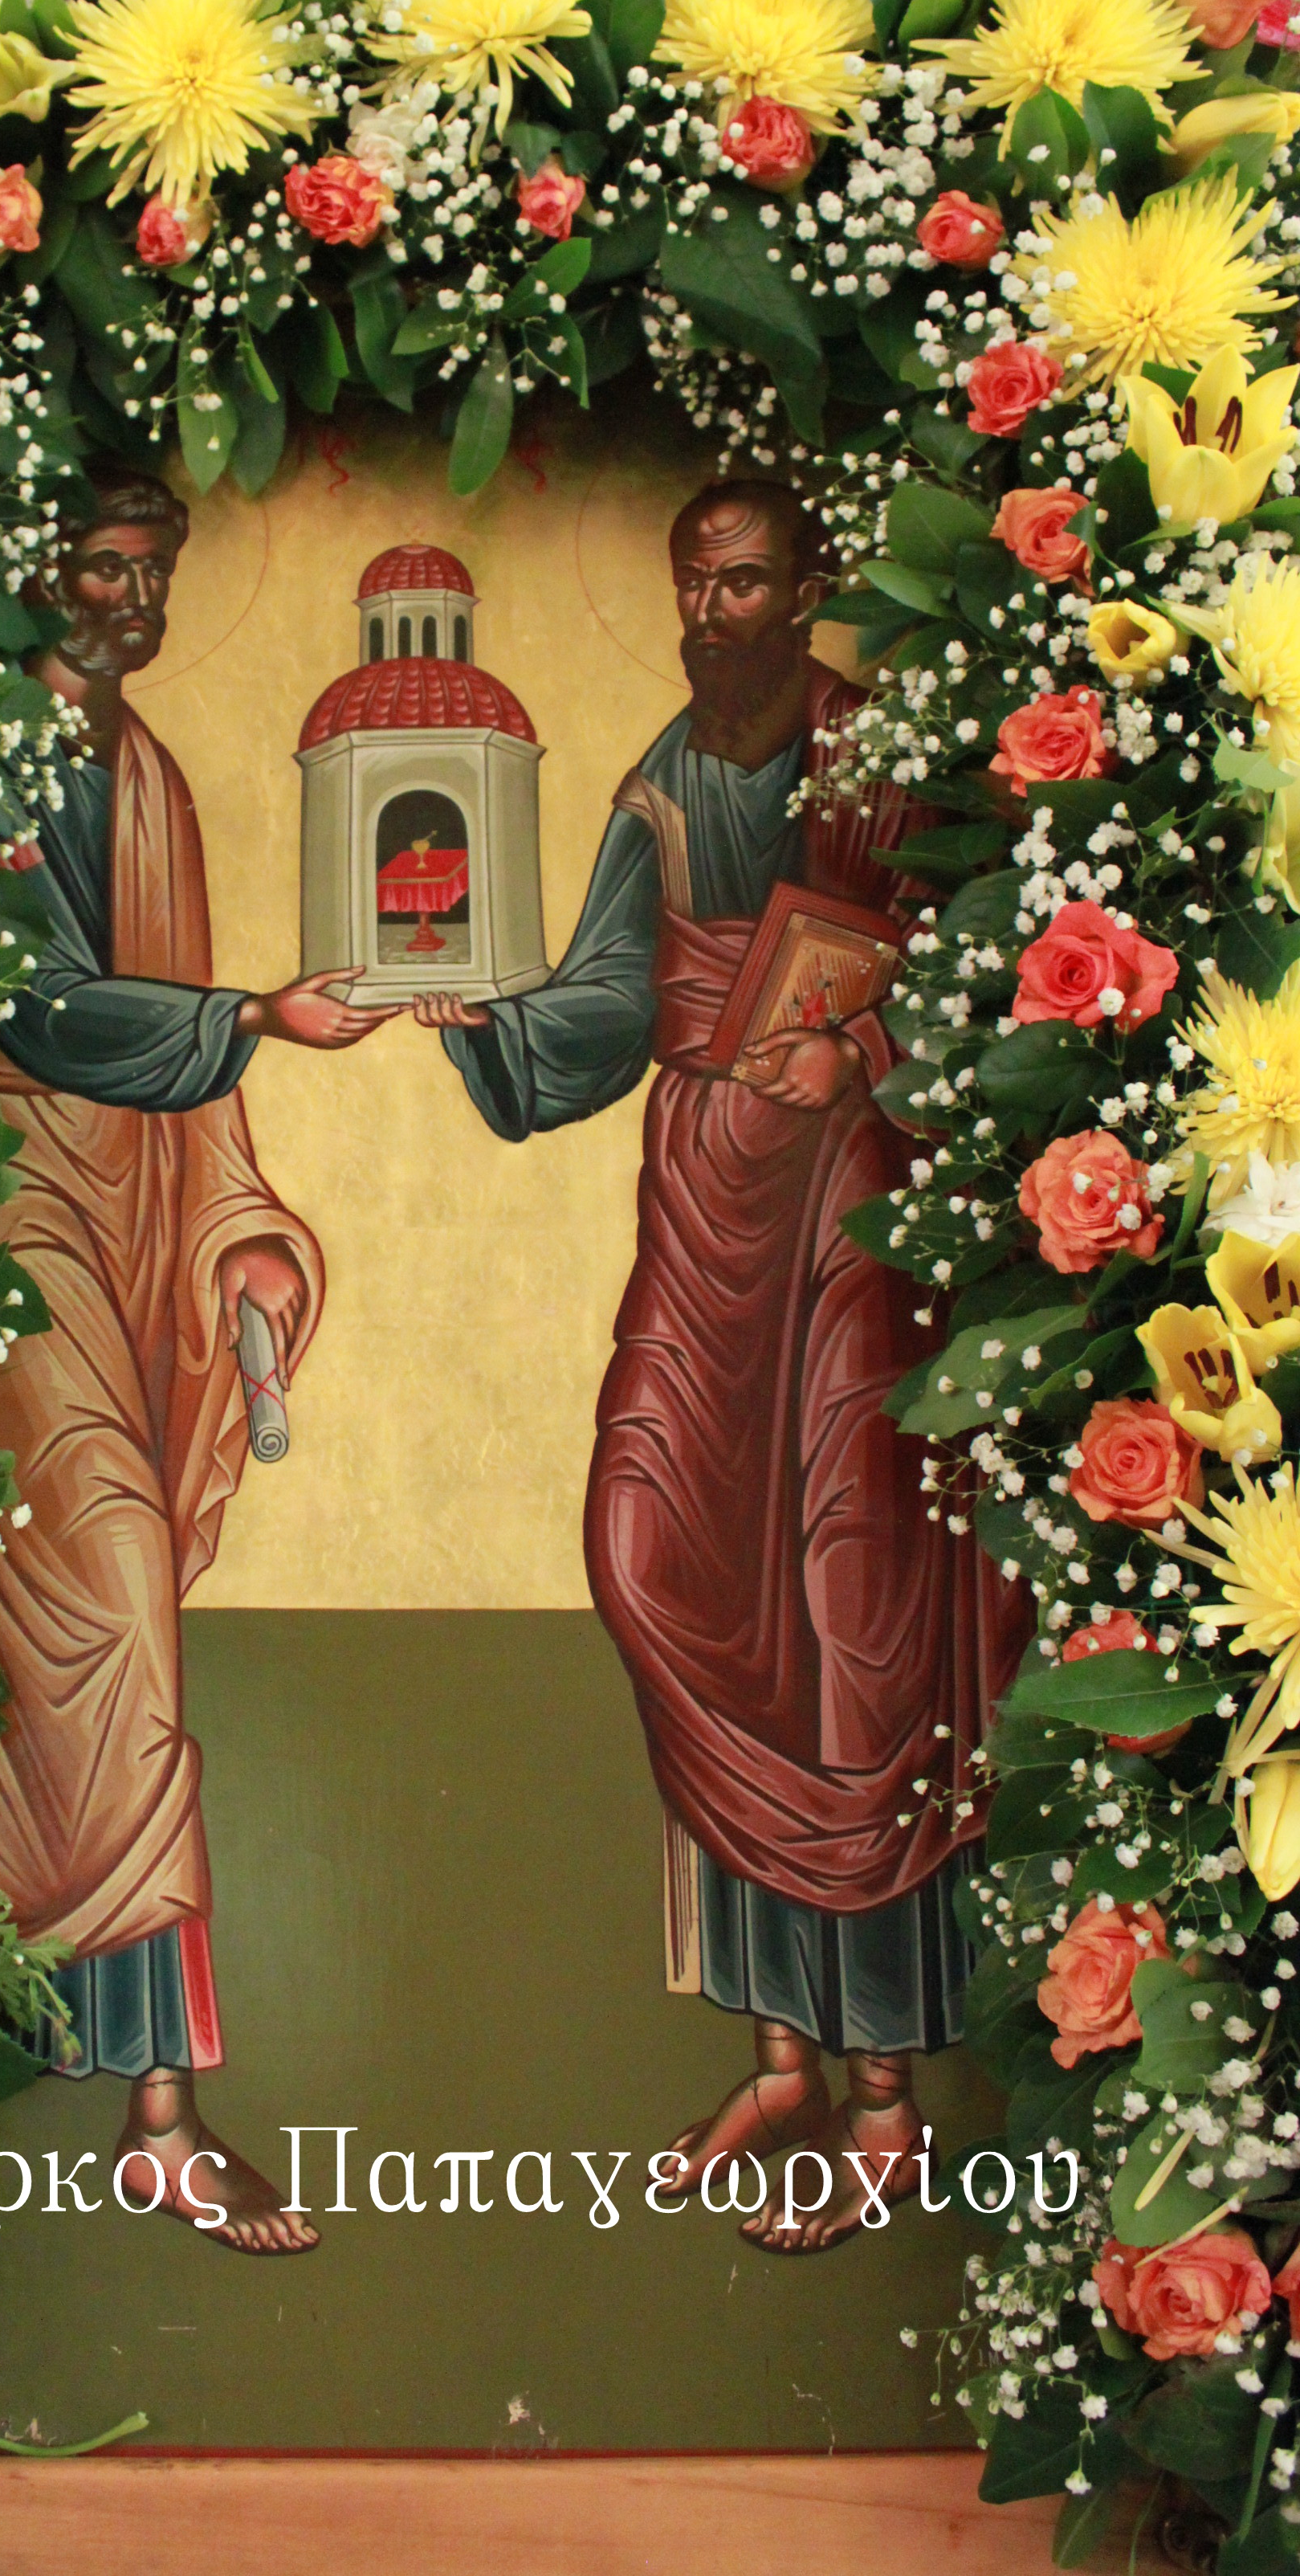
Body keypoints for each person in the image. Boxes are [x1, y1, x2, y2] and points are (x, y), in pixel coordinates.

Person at [414, 480, 1025, 2252]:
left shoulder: (885, 766)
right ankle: (777, 2057)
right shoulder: (664, 785)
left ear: (808, 588)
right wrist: (487, 1013)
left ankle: (884, 2095)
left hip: (857, 1241)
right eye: (694, 582)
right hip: (705, 1229)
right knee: (660, 1560)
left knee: (850, 1619)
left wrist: (874, 1045)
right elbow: (610, 999)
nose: (711, 612)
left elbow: (994, 970)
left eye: (744, 582)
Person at [0, 471, 396, 2256]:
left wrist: (241, 1234)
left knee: (115, 1631)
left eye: (155, 571)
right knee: (102, 1579)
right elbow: (25, 1006)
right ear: (35, 569)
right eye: (102, 566)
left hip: (124, 1227)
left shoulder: (150, 778)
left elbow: (191, 1089)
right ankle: (109, 2093)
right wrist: (252, 1015)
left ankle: (150, 2112)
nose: (131, 601)